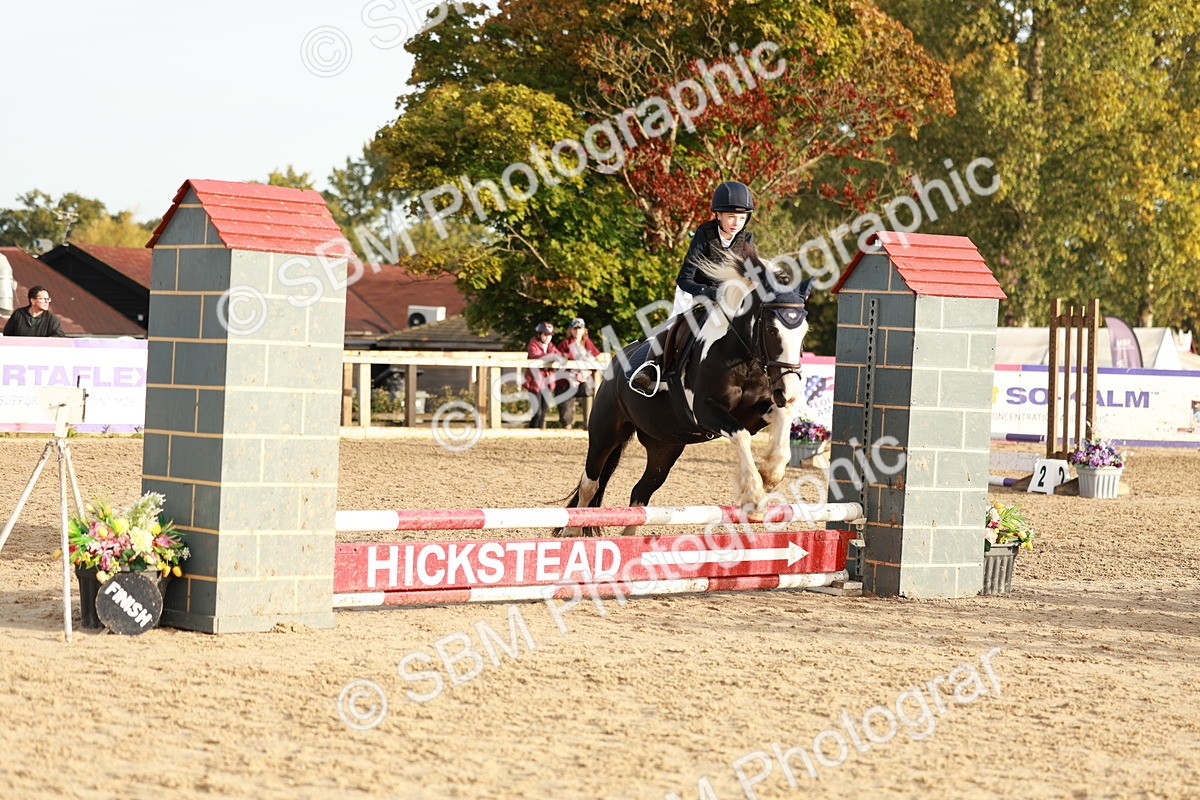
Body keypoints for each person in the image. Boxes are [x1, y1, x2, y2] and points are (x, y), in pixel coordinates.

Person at [629, 181, 755, 394]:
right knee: (675, 325)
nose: (737, 223)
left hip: (727, 296)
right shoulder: (704, 234)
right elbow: (684, 279)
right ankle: (650, 368)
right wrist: (709, 292)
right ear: (718, 215)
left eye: (742, 218)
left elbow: (751, 273)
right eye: (731, 216)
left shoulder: (747, 238)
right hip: (695, 291)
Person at [556, 318, 602, 428]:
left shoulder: (587, 343)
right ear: (570, 330)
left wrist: (586, 373)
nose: (577, 331)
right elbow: (559, 364)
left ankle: (588, 423)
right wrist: (573, 375)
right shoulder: (565, 344)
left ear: (584, 330)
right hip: (567, 380)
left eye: (580, 328)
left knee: (588, 388)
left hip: (584, 378)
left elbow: (596, 360)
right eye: (575, 328)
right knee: (566, 415)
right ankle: (567, 425)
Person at [523, 321, 562, 429]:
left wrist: (561, 357)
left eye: (550, 335)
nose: (548, 338)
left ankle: (538, 432)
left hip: (547, 383)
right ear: (539, 334)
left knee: (543, 412)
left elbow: (558, 354)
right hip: (534, 383)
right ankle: (532, 430)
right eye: (545, 335)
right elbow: (536, 355)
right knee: (537, 412)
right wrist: (552, 357)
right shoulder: (533, 344)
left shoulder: (551, 346)